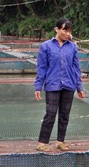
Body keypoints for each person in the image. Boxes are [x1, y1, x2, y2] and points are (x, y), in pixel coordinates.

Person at [34, 18, 85, 151]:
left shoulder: (72, 47)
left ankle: (60, 141)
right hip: (52, 85)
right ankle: (42, 143)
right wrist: (38, 86)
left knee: (64, 115)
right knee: (50, 114)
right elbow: (42, 67)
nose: (67, 33)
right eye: (64, 30)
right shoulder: (46, 46)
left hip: (69, 85)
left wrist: (79, 86)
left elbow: (76, 67)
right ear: (56, 29)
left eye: (69, 31)